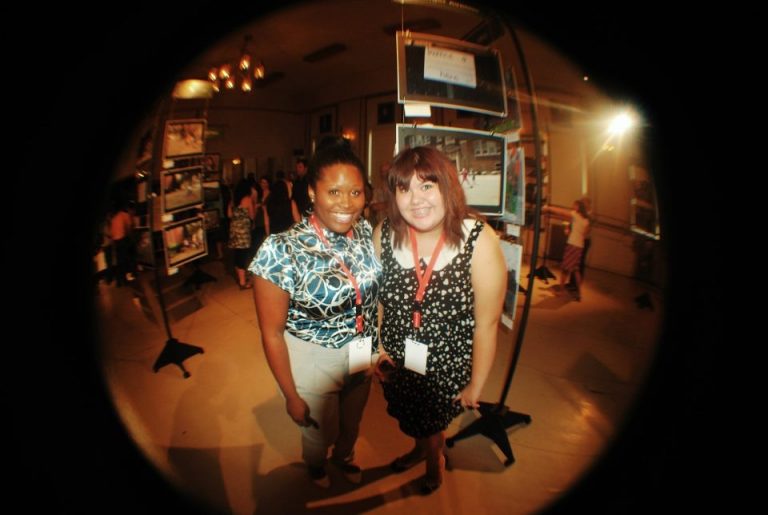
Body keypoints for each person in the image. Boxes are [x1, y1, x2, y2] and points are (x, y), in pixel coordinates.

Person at [372, 146, 506, 495]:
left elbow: (486, 323)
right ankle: (420, 451)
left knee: (431, 421)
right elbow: (376, 300)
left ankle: (434, 463)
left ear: (448, 186)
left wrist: (477, 384)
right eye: (405, 188)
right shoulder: (384, 233)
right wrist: (376, 348)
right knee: (413, 417)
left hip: (446, 362)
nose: (416, 199)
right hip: (399, 357)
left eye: (427, 186)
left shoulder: (477, 240)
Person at [249, 137, 380, 488]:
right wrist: (291, 395)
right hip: (314, 355)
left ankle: (344, 456)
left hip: (362, 347)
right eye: (334, 192)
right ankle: (317, 464)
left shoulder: (364, 232)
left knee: (352, 422)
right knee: (320, 428)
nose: (346, 203)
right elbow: (271, 333)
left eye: (355, 192)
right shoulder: (281, 249)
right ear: (311, 192)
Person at [543, 199, 590, 300]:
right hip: (579, 246)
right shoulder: (586, 221)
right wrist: (571, 230)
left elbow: (561, 212)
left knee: (565, 269)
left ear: (578, 207)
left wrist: (548, 208)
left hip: (572, 245)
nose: (573, 207)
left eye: (575, 205)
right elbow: (585, 234)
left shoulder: (575, 215)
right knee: (576, 269)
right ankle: (579, 293)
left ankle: (561, 291)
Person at [228, 181, 253, 290]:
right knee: (243, 255)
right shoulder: (247, 199)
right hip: (243, 232)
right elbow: (252, 216)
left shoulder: (233, 201)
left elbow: (229, 215)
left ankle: (240, 278)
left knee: (237, 255)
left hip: (234, 231)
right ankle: (243, 283)